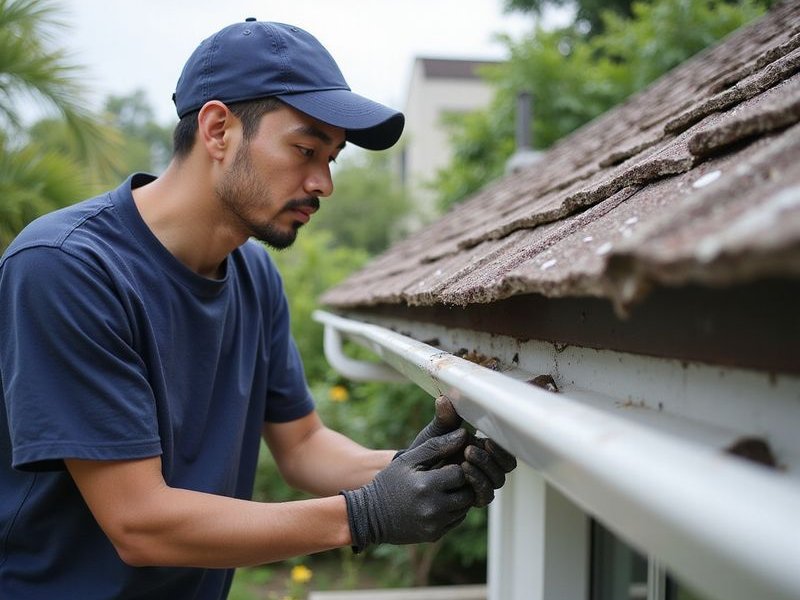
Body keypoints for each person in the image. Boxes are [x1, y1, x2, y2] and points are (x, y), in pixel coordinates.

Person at [0, 19, 516, 600]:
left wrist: (423, 467)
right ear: (218, 129)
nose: (323, 183)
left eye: (332, 158)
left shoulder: (253, 273)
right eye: (305, 150)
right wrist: (364, 514)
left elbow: (302, 447)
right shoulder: (66, 267)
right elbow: (138, 522)